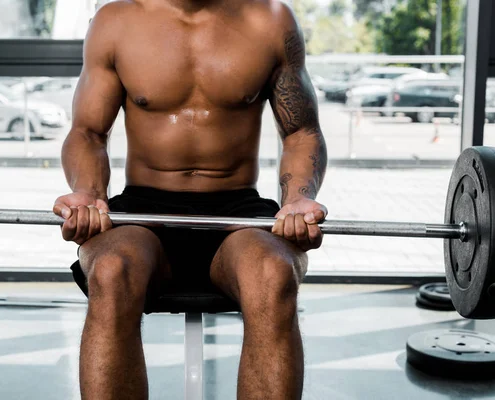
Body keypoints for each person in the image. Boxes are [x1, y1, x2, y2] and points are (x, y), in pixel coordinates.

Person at [53, 0, 327, 399]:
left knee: (273, 274)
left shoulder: (269, 19)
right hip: (144, 211)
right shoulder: (117, 20)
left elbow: (301, 132)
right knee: (111, 271)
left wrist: (299, 198)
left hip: (238, 210)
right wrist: (89, 195)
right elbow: (88, 132)